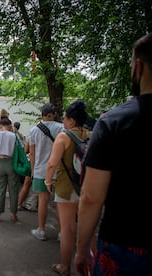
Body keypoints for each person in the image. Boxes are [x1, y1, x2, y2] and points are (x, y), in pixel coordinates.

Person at [75, 33, 152, 276]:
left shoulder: (115, 121)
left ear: (138, 67)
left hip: (125, 245)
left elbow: (91, 197)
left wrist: (82, 247)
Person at [44, 100, 91, 276]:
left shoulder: (63, 137)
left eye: (64, 118)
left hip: (66, 187)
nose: (63, 120)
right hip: (87, 187)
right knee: (89, 228)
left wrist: (48, 182)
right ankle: (92, 267)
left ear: (71, 120)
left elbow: (52, 164)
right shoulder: (91, 134)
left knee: (67, 228)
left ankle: (65, 266)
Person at [29, 103, 63, 241]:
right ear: (53, 114)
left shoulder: (34, 130)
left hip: (41, 170)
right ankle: (62, 233)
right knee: (60, 202)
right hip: (59, 170)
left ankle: (41, 230)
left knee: (43, 200)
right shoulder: (61, 128)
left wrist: (32, 171)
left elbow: (32, 153)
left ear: (42, 115)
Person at [0, 117, 22, 222]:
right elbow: (22, 147)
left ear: (0, 125)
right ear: (10, 126)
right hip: (11, 162)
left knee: (0, 189)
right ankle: (14, 214)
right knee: (13, 189)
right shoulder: (14, 136)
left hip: (0, 162)